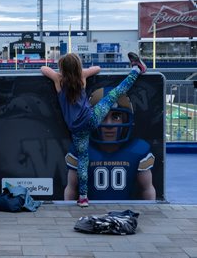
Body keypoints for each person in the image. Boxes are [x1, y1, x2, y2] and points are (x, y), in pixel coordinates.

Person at [41, 51, 146, 207]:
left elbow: (43, 69)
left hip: (76, 129)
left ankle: (83, 197)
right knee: (115, 94)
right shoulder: (81, 77)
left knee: (83, 161)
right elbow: (97, 68)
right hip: (92, 119)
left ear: (62, 68)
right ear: (78, 66)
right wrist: (82, 71)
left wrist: (59, 72)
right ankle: (137, 70)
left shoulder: (58, 80)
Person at [64, 89, 156, 201]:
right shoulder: (81, 148)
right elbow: (71, 189)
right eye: (102, 117)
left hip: (125, 213)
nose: (109, 124)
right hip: (90, 213)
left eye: (116, 117)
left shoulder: (138, 150)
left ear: (126, 119)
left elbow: (147, 190)